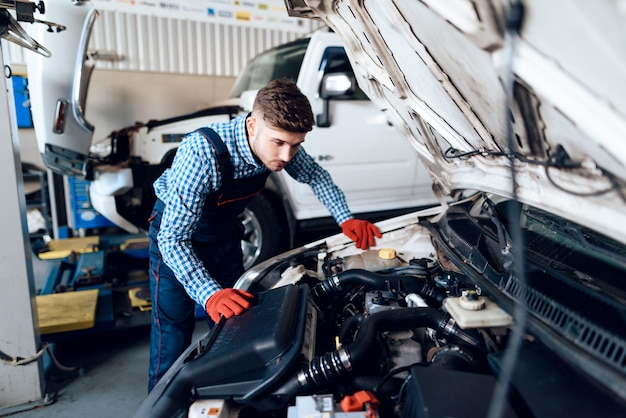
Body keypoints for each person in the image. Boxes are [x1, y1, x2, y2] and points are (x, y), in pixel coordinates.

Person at [147, 78, 382, 391]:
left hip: (223, 238)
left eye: (295, 145)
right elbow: (174, 238)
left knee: (234, 328)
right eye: (279, 143)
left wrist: (346, 218)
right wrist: (209, 293)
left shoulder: (282, 145)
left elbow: (317, 177)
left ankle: (225, 393)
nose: (287, 156)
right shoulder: (202, 152)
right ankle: (161, 403)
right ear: (252, 125)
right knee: (173, 332)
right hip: (174, 239)